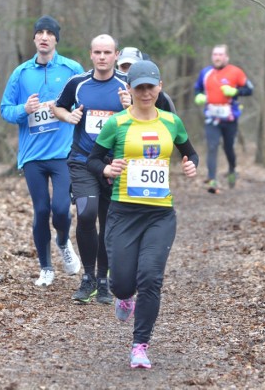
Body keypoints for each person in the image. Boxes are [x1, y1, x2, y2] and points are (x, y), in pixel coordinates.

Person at [87, 60, 199, 369]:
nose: (146, 92)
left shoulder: (171, 122)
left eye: (151, 86)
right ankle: (124, 297)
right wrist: (107, 168)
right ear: (129, 89)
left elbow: (190, 151)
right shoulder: (117, 123)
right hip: (123, 212)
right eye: (140, 87)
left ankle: (140, 345)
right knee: (121, 283)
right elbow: (92, 161)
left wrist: (191, 164)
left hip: (159, 214)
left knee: (150, 277)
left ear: (160, 87)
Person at [0, 15, 83, 287]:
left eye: (50, 33)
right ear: (34, 38)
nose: (44, 37)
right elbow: (5, 109)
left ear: (56, 38)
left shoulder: (72, 69)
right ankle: (46, 268)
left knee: (61, 209)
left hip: (62, 153)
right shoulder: (21, 73)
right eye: (40, 33)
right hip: (33, 155)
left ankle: (62, 240)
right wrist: (24, 110)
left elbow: (86, 102)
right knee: (41, 210)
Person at [54, 34, 127, 304]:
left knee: (109, 223)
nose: (102, 57)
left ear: (116, 55)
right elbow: (57, 108)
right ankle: (88, 278)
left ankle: (105, 280)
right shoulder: (78, 83)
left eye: (107, 52)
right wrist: (68, 115)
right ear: (90, 54)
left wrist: (130, 108)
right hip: (83, 160)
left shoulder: (126, 85)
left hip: (115, 164)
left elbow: (150, 113)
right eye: (97, 52)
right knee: (86, 215)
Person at [194, 44, 254, 193]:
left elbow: (249, 90)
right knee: (212, 146)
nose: (217, 57)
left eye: (220, 54)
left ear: (226, 57)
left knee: (228, 148)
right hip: (211, 116)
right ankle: (212, 180)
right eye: (215, 54)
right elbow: (197, 88)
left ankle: (232, 169)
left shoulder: (236, 72)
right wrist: (199, 96)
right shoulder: (205, 73)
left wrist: (235, 91)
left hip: (230, 118)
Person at [117, 46, 177, 113]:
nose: (128, 72)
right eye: (124, 67)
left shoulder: (160, 97)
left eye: (133, 66)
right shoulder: (113, 90)